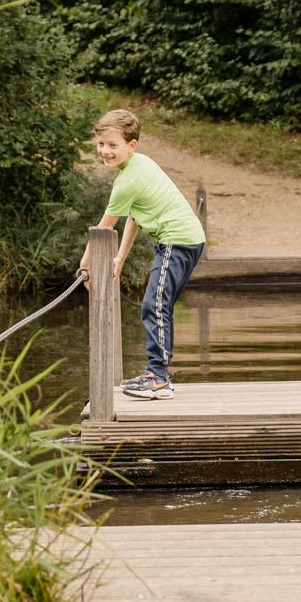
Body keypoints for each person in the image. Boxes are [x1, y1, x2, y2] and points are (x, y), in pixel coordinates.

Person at [76, 109, 207, 400]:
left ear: (131, 145)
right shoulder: (138, 166)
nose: (105, 151)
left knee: (155, 304)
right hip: (182, 240)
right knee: (159, 304)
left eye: (113, 145)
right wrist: (119, 259)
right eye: (101, 145)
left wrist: (85, 265)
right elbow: (134, 217)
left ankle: (158, 379)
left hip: (178, 240)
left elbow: (104, 228)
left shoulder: (127, 180)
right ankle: (156, 373)